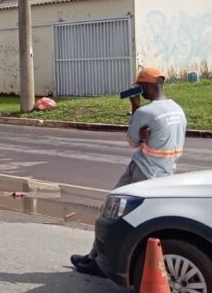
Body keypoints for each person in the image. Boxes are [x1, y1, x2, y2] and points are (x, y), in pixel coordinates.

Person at [70, 67, 187, 275]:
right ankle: (94, 257)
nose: (139, 90)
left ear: (148, 86)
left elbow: (133, 141)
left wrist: (135, 108)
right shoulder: (178, 110)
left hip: (142, 171)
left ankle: (99, 262)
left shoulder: (145, 112)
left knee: (111, 212)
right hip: (166, 173)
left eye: (140, 87)